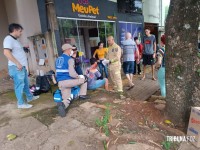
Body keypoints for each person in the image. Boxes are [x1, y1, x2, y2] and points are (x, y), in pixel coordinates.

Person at [3, 23, 39, 109]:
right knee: (19, 85)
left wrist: (23, 49)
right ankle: (21, 103)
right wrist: (17, 63)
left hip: (21, 67)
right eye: (20, 31)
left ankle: (30, 97)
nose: (21, 33)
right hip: (16, 67)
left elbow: (16, 51)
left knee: (26, 83)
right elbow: (6, 52)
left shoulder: (15, 40)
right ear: (15, 30)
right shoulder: (8, 39)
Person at [55, 44, 89, 117]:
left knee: (67, 99)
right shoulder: (70, 59)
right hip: (68, 81)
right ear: (67, 50)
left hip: (60, 83)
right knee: (85, 79)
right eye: (71, 49)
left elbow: (56, 72)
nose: (72, 51)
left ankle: (62, 105)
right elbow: (72, 73)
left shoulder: (58, 59)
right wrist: (79, 76)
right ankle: (82, 95)